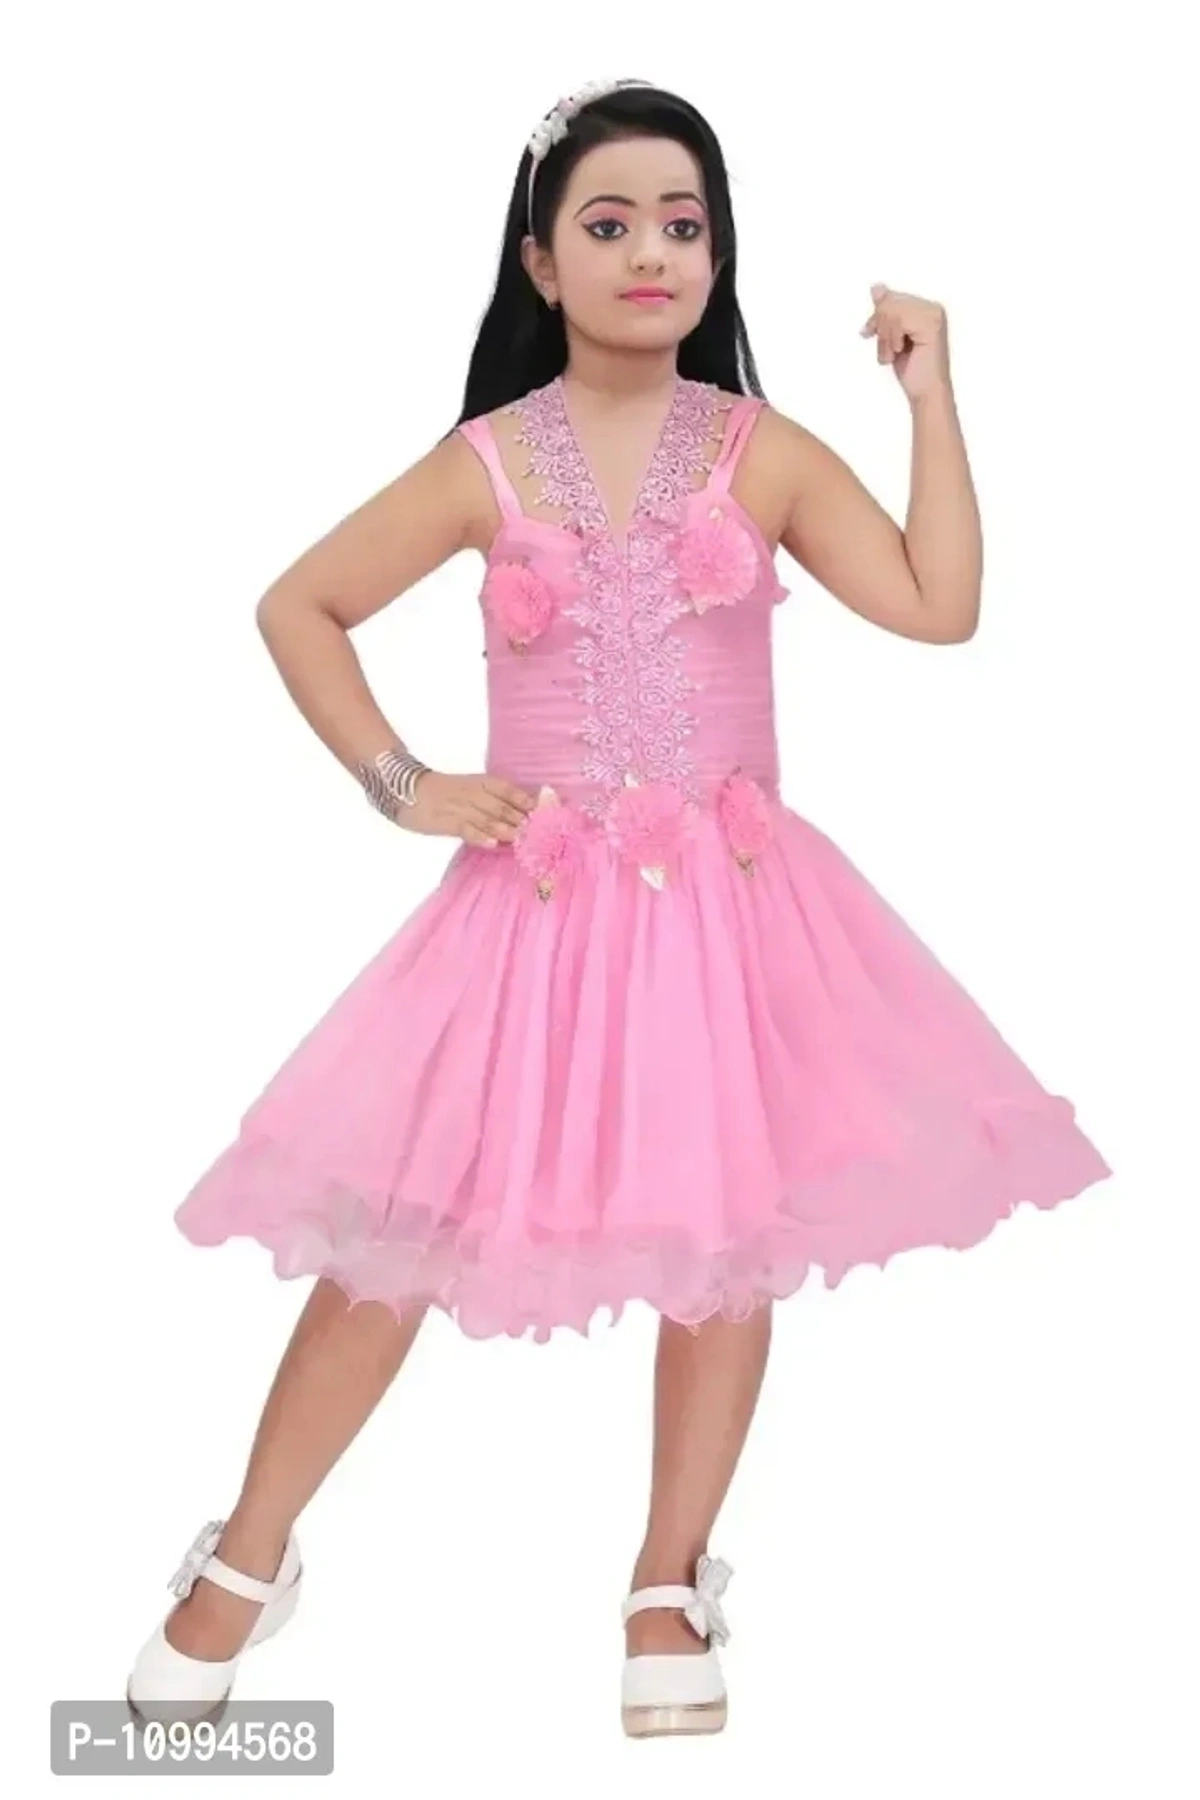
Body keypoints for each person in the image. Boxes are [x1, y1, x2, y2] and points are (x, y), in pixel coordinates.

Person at [126, 77, 1112, 1739]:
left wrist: (931, 398)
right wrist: (402, 781)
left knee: (726, 1237)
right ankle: (247, 1555)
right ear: (540, 261)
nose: (652, 253)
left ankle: (668, 1578)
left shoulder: (759, 451)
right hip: (534, 912)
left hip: (735, 913)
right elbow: (300, 604)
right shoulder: (489, 463)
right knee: (396, 1232)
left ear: (716, 258)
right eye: (609, 223)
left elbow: (938, 604)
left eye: (683, 224)